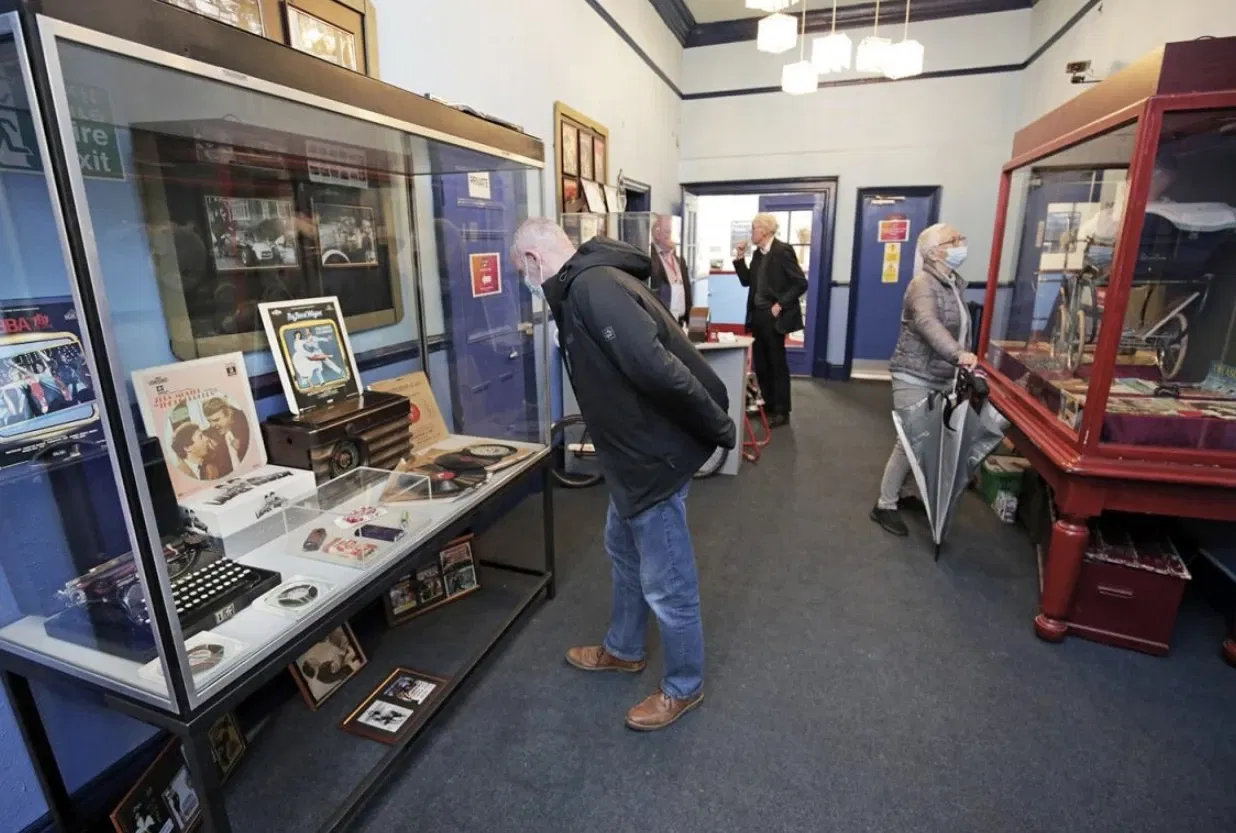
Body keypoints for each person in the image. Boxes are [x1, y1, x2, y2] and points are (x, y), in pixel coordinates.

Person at [511, 217, 736, 731]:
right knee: (622, 549)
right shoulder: (584, 284)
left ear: (531, 260)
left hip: (651, 458)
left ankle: (684, 685)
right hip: (629, 457)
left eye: (521, 273)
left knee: (667, 580)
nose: (525, 282)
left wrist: (718, 425)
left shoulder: (592, 286)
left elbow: (656, 368)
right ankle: (625, 648)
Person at [871, 223, 977, 537]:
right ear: (935, 251)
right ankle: (884, 504)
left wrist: (960, 357)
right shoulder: (923, 284)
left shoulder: (952, 283)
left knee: (926, 440)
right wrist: (958, 354)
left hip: (939, 375)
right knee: (910, 441)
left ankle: (903, 493)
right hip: (913, 374)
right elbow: (928, 323)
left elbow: (958, 326)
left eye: (960, 237)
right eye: (954, 239)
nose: (961, 242)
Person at [733, 213, 807, 427]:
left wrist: (780, 304)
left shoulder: (783, 251)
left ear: (765, 231)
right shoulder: (757, 254)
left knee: (777, 363)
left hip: (774, 316)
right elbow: (747, 281)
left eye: (754, 228)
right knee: (761, 363)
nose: (751, 233)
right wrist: (739, 259)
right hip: (757, 316)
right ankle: (769, 404)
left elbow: (801, 283)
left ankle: (782, 410)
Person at [648, 213, 692, 325]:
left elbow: (686, 291)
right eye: (668, 232)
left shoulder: (680, 261)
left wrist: (689, 319)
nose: (674, 237)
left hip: (680, 322)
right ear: (657, 234)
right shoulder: (649, 259)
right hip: (661, 322)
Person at [202, 396, 251, 469]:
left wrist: (242, 446)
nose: (212, 425)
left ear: (229, 414)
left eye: (216, 420)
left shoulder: (247, 423)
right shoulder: (209, 434)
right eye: (209, 421)